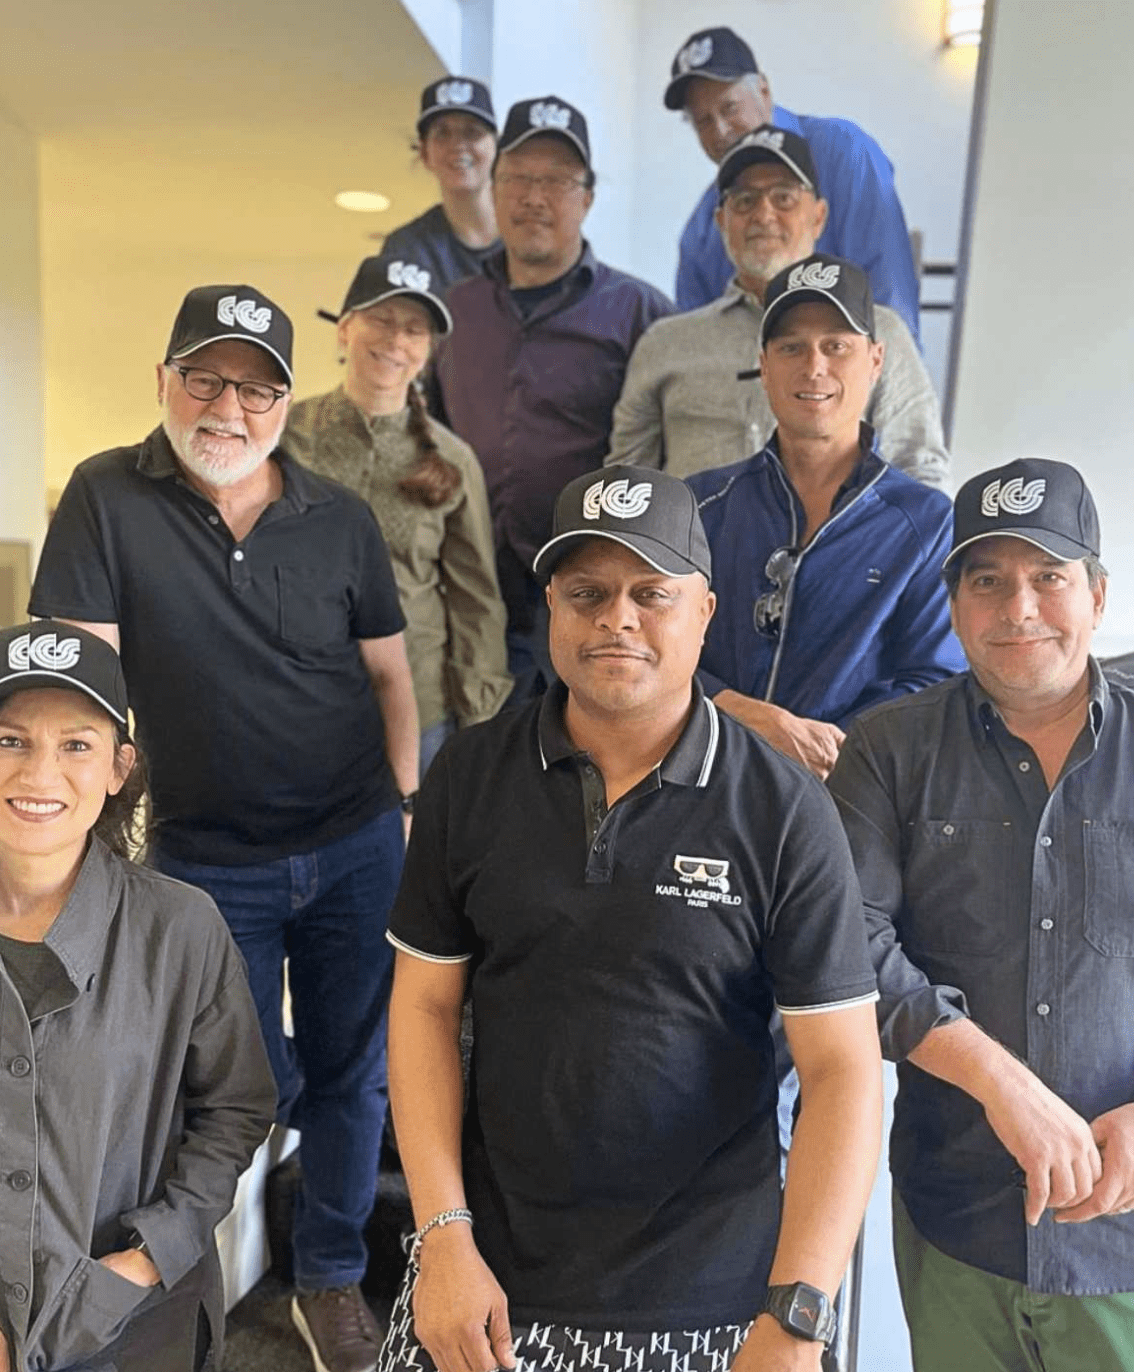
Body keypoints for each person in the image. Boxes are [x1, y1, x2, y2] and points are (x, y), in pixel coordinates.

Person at [378, 467, 883, 1372]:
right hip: (485, 1277)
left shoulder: (782, 810)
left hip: (718, 1297)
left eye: (651, 593)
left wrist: (798, 1315)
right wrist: (440, 1237)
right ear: (551, 609)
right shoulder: (470, 776)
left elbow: (844, 1071)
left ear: (705, 611)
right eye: (588, 593)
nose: (617, 618)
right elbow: (422, 1007)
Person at [29, 285, 419, 1372]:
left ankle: (332, 1279)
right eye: (205, 376)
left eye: (257, 385)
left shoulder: (338, 516)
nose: (228, 406)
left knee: (356, 1070)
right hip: (203, 858)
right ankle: (180, 1289)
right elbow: (86, 686)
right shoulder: (109, 495)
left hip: (351, 845)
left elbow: (390, 674)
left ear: (290, 400)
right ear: (165, 381)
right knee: (235, 1084)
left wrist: (397, 804)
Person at [828, 459, 1134, 1371]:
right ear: (955, 601)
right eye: (987, 580)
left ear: (1098, 594)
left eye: (1048, 577)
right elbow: (851, 946)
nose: (1019, 608)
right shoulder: (890, 748)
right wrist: (1004, 1086)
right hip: (958, 1215)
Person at [0, 620, 274, 1372]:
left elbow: (238, 1107)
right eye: (10, 740)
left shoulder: (180, 928)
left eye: (76, 745)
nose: (38, 773)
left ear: (120, 766)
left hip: (129, 1329)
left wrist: (147, 1260)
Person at [688, 252, 964, 782]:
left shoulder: (927, 524)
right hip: (701, 780)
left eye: (835, 346)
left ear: (876, 361)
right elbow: (651, 646)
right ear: (764, 366)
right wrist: (742, 715)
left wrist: (828, 747)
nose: (813, 366)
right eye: (792, 347)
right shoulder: (700, 505)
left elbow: (934, 678)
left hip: (849, 793)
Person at [434, 95, 674, 695]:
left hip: (591, 595)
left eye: (557, 181)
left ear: (587, 197)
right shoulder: (451, 311)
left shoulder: (642, 313)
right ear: (493, 187)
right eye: (518, 178)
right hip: (472, 591)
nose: (535, 197)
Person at [609, 126, 948, 488]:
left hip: (844, 543)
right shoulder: (665, 342)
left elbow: (922, 472)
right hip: (693, 543)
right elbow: (625, 485)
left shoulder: (878, 333)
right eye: (744, 200)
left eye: (784, 197)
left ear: (818, 217)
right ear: (722, 221)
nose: (763, 214)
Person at [287, 253, 511, 774]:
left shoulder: (453, 460)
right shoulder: (286, 436)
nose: (395, 341)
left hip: (422, 707)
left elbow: (476, 598)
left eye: (414, 330)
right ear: (345, 329)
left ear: (428, 351)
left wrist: (478, 721)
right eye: (381, 320)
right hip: (297, 700)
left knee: (412, 855)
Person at [665, 26, 921, 336]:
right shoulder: (701, 231)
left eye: (730, 108)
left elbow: (889, 297)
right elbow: (696, 346)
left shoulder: (844, 153)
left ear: (764, 90)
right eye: (703, 121)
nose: (720, 131)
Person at [381, 77, 500, 299]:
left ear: (496, 148)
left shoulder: (529, 236)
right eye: (442, 133)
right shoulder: (408, 248)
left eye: (472, 132)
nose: (457, 145)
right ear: (425, 153)